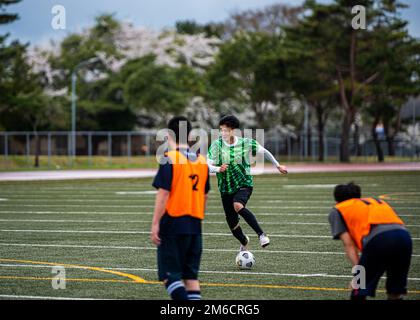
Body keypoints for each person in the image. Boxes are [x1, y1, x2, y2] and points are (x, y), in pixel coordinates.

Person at [207, 115, 288, 251]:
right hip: (225, 188)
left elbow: (264, 151)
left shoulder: (246, 143)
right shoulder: (217, 145)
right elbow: (207, 164)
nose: (223, 133)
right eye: (221, 130)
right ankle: (244, 241)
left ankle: (262, 235)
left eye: (226, 130)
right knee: (232, 225)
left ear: (233, 130)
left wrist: (278, 165)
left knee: (238, 205)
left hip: (244, 183)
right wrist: (217, 168)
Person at [150, 116, 210, 301]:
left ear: (168, 135)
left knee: (170, 276)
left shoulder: (170, 158)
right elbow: (205, 195)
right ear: (189, 135)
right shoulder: (201, 161)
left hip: (174, 222)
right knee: (191, 278)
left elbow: (164, 193)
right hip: (195, 224)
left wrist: (155, 224)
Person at [328, 182, 412, 300]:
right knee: (395, 292)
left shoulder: (338, 209)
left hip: (379, 240)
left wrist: (358, 274)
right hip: (405, 238)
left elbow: (349, 245)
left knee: (359, 289)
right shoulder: (375, 201)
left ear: (337, 199)